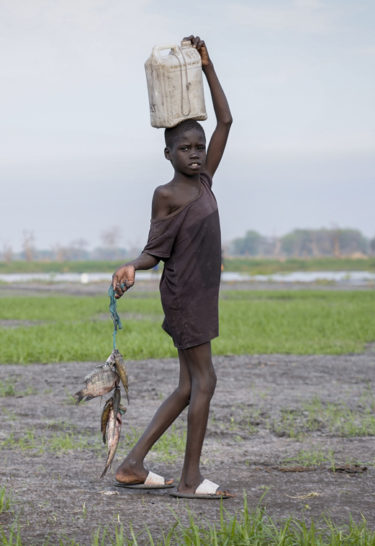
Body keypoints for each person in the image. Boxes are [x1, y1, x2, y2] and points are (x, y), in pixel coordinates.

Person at [111, 35, 233, 499]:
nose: (195, 151)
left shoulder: (204, 182)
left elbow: (226, 119)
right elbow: (154, 250)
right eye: (185, 147)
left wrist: (207, 64)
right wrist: (132, 266)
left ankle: (132, 465)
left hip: (201, 294)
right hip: (184, 296)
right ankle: (189, 479)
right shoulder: (167, 195)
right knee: (205, 380)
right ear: (168, 154)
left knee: (188, 385)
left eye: (198, 145)